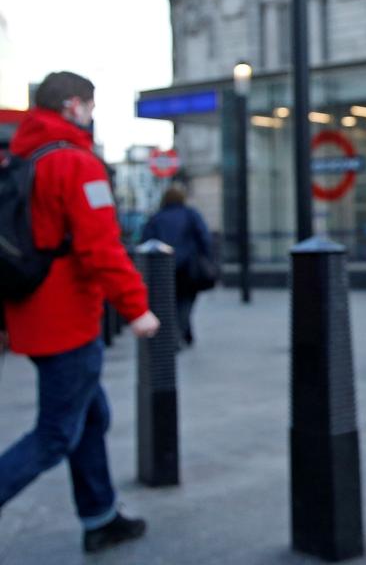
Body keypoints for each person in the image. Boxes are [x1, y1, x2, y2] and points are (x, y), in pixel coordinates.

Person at [0, 71, 160, 554]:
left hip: (31, 311)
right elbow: (102, 249)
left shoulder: (24, 157)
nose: (92, 115)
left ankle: (101, 516)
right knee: (54, 435)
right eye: (90, 106)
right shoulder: (77, 164)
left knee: (90, 417)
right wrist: (137, 309)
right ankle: (101, 515)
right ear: (72, 106)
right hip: (67, 318)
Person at [143, 186, 213, 347]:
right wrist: (206, 258)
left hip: (163, 267)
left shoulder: (157, 218)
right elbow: (204, 238)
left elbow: (147, 240)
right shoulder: (190, 215)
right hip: (189, 267)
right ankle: (181, 333)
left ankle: (180, 333)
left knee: (170, 302)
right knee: (186, 301)